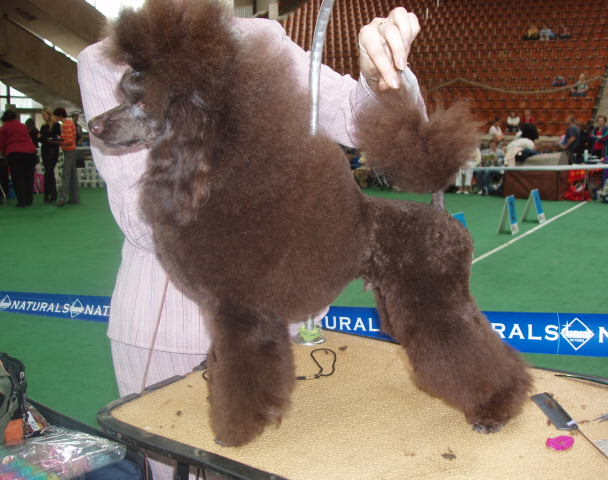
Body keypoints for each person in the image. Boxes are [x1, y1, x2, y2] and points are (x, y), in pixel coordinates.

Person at [78, 6, 422, 480]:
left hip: (275, 326)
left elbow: (351, 116)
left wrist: (379, 75)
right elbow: (143, 216)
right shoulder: (104, 60)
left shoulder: (261, 37)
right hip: (166, 326)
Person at [0, 110, 38, 207]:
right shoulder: (23, 126)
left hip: (15, 154)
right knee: (28, 177)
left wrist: (4, 153)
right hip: (30, 153)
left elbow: (2, 143)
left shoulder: (4, 127)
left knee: (18, 177)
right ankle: (29, 200)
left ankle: (21, 201)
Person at [52, 107, 79, 206]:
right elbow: (71, 138)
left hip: (69, 151)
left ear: (59, 116)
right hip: (71, 151)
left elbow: (69, 141)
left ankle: (62, 198)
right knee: (72, 176)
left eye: (55, 116)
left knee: (66, 175)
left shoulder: (66, 124)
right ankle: (75, 198)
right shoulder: (69, 123)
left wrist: (58, 142)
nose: (55, 118)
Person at [39, 106, 62, 203]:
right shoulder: (43, 126)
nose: (43, 117)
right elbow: (40, 139)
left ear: (49, 115)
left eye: (44, 115)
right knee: (49, 172)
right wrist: (45, 137)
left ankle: (48, 195)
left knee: (48, 172)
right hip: (45, 151)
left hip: (53, 151)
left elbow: (55, 136)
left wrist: (44, 137)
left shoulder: (56, 125)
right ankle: (52, 195)